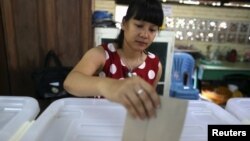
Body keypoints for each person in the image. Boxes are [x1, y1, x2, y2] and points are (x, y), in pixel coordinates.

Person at [64, 0, 164, 120]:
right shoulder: (102, 55)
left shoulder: (155, 66)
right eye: (139, 25)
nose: (145, 34)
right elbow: (70, 82)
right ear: (124, 24)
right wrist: (109, 86)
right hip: (100, 123)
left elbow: (146, 104)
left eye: (152, 30)